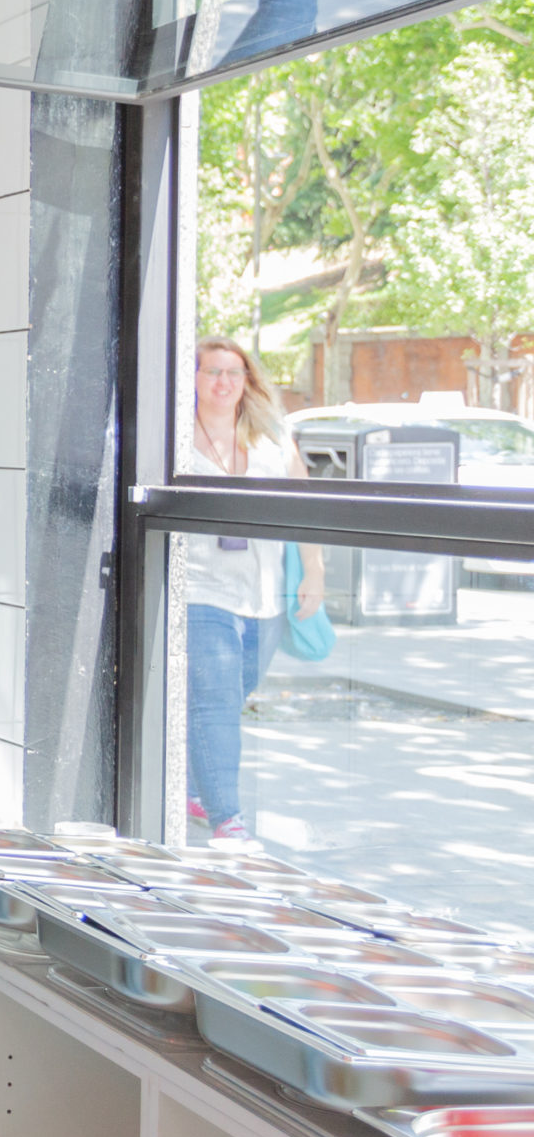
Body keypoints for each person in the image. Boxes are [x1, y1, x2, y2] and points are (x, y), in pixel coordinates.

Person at [179, 337, 324, 843]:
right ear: (192, 379)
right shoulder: (176, 438)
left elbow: (303, 507)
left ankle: (195, 783)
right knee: (214, 701)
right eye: (212, 372)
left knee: (229, 695)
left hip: (264, 592)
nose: (223, 382)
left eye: (233, 373)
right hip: (201, 589)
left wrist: (314, 570)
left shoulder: (271, 439)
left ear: (247, 382)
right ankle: (228, 819)